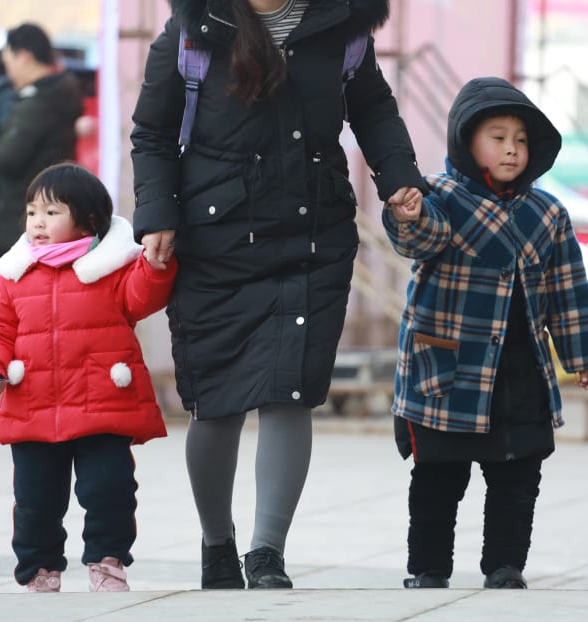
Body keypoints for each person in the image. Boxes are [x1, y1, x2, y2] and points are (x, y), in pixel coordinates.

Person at [130, 0, 426, 590]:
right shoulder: (192, 30)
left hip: (312, 239)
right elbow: (153, 133)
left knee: (292, 393)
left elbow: (373, 109)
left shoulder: (343, 27)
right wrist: (156, 213)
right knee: (217, 401)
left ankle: (267, 553)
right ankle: (218, 544)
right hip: (216, 240)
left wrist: (399, 180)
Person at [382, 76, 588, 590]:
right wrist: (407, 214)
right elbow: (419, 237)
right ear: (467, 142)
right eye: (498, 137)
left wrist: (582, 353)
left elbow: (568, 288)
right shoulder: (438, 198)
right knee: (439, 477)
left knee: (518, 477)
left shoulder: (546, 213)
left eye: (521, 140)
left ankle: (505, 567)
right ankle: (428, 569)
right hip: (447, 371)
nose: (512, 149)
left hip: (519, 373)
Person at [0, 162, 177, 592]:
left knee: (110, 491)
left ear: (88, 221)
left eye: (51, 212)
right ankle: (39, 569)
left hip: (102, 403)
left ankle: (107, 562)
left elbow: (142, 297)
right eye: (32, 212)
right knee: (35, 501)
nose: (38, 222)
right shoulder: (14, 275)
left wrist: (155, 266)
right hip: (34, 405)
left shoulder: (112, 268)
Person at [0, 23, 82, 288]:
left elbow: (7, 159)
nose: (8, 69)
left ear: (24, 57)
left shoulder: (38, 102)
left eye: (9, 60)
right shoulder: (59, 93)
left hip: (20, 222)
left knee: (10, 300)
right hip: (43, 216)